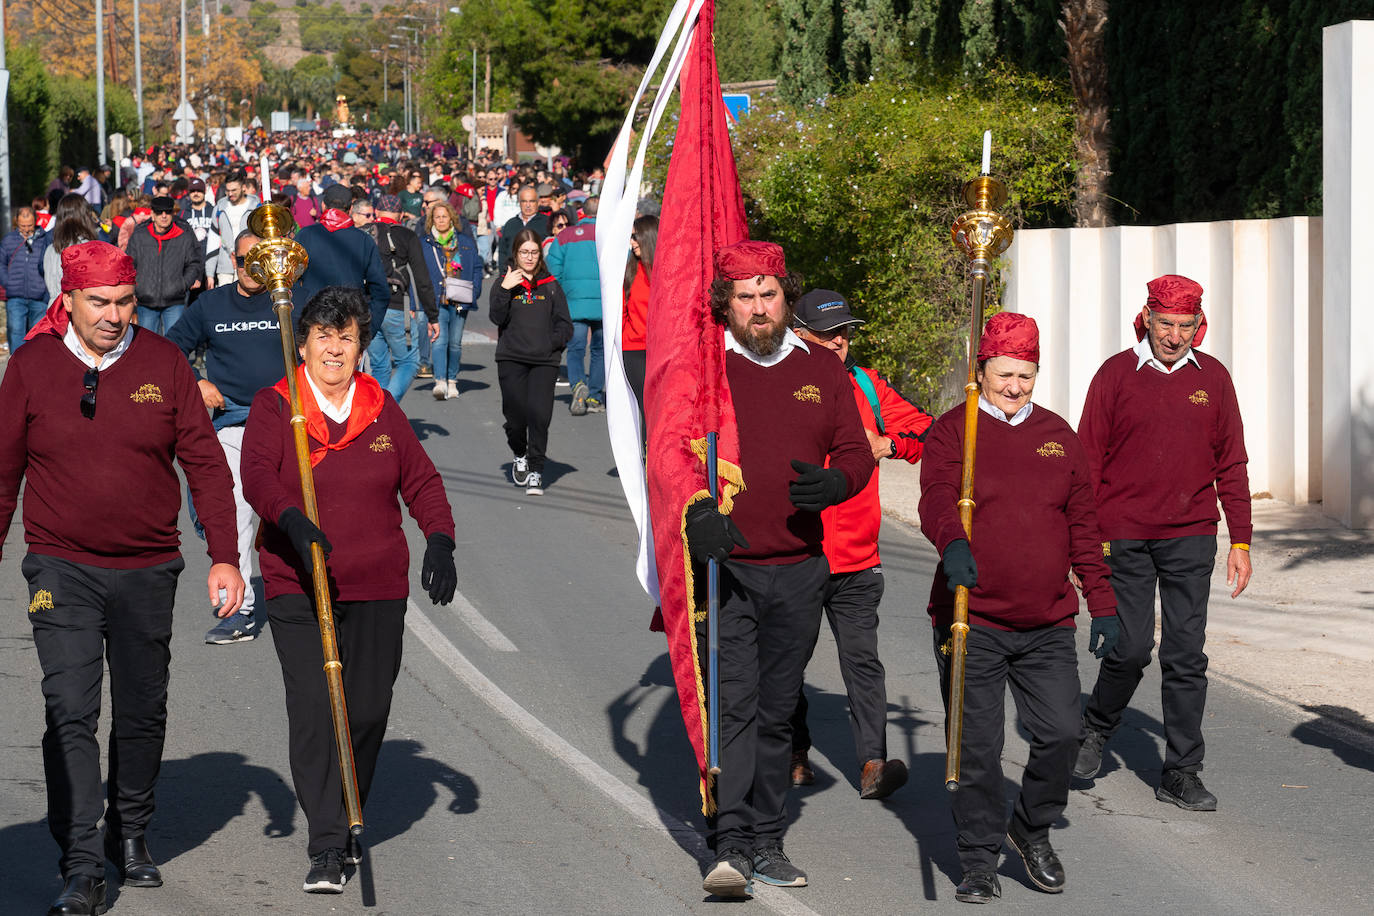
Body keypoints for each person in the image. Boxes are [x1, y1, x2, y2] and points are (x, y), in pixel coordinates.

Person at [0, 241, 244, 916]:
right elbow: (2, 473)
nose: (114, 315)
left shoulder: (163, 363)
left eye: (125, 302)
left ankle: (129, 832)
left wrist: (224, 554)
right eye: (99, 302)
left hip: (147, 567)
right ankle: (81, 863)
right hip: (60, 565)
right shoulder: (31, 365)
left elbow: (205, 466)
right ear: (69, 299)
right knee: (71, 708)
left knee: (142, 710)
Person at [241, 286, 456, 895]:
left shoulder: (380, 408)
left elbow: (421, 480)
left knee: (365, 710)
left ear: (361, 346)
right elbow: (256, 473)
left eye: (347, 337)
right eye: (323, 336)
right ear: (301, 342)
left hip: (375, 580)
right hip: (297, 579)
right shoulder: (275, 404)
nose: (334, 348)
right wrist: (288, 517)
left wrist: (440, 539)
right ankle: (328, 841)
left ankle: (347, 799)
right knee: (315, 708)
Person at [683, 240, 874, 898]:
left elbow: (857, 451)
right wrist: (697, 512)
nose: (758, 310)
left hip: (800, 568)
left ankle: (767, 837)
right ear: (725, 303)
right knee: (734, 706)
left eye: (769, 295)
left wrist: (838, 482)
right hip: (727, 568)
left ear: (786, 298)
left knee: (777, 707)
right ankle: (731, 841)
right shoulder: (706, 370)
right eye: (745, 297)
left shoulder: (822, 369)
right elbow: (671, 451)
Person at [917, 312, 1118, 904]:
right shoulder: (956, 430)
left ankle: (1029, 830)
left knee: (1060, 734)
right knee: (976, 747)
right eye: (1005, 374)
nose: (1014, 386)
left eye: (1026, 376)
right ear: (981, 369)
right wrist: (953, 544)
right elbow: (934, 498)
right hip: (970, 616)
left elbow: (1083, 522)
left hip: (1046, 621)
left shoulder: (1059, 435)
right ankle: (978, 859)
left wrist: (1100, 601)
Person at [1074, 274, 1253, 811]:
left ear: (1200, 326)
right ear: (1147, 319)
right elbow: (1086, 461)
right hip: (1122, 535)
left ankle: (1181, 770)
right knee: (1129, 650)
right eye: (1166, 324)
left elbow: (1233, 462)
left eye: (1186, 326)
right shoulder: (1115, 375)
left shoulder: (1214, 379)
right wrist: (1079, 539)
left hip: (1191, 535)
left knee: (1186, 655)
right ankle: (1095, 729)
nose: (1174, 336)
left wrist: (1240, 539)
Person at [786, 288, 934, 798]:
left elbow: (928, 431)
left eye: (845, 333)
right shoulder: (777, 383)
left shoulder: (868, 387)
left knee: (863, 664)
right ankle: (795, 752)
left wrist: (888, 444)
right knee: (789, 662)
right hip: (795, 552)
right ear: (798, 335)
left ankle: (874, 763)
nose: (839, 343)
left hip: (858, 559)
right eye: (827, 334)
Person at [166, 229, 284, 645]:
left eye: (260, 259)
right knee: (233, 511)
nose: (251, 267)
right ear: (232, 261)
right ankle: (239, 608)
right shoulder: (212, 304)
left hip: (290, 422)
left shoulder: (291, 299)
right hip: (232, 422)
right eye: (243, 258)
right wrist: (197, 381)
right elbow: (171, 349)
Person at [490, 228, 573, 496]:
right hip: (511, 357)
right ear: (515, 253)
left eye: (534, 252)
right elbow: (496, 318)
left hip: (544, 361)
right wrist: (505, 289)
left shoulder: (550, 285)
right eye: (524, 252)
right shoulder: (506, 281)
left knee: (539, 415)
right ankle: (520, 453)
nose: (529, 257)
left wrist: (552, 342)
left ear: (540, 254)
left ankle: (536, 469)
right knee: (515, 417)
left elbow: (565, 324)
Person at [360, 193, 439, 403]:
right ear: (401, 214)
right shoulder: (407, 236)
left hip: (366, 307)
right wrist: (432, 316)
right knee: (409, 362)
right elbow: (422, 278)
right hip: (396, 306)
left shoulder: (362, 234)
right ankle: (386, 407)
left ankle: (376, 416)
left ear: (376, 212)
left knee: (378, 365)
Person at [294, 183, 391, 337]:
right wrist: (367, 330)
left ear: (323, 205)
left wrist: (298, 322)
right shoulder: (363, 240)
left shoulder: (305, 235)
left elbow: (291, 284)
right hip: (348, 325)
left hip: (315, 324)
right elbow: (381, 290)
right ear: (351, 209)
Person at [546, 196, 603, 415]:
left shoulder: (565, 236)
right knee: (599, 351)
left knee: (576, 348)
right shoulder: (610, 234)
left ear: (582, 212)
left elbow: (554, 269)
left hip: (573, 303)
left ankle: (578, 383)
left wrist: (560, 297)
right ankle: (595, 397)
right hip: (603, 305)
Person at [420, 201, 483, 400]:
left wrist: (475, 290)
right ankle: (440, 381)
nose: (440, 220)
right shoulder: (426, 243)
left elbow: (477, 268)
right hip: (437, 300)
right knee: (439, 340)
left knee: (455, 344)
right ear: (432, 219)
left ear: (452, 219)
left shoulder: (464, 241)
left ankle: (452, 380)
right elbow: (419, 273)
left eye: (444, 216)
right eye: (437, 217)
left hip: (460, 300)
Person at [126, 195, 204, 335]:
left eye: (167, 212)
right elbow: (129, 265)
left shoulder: (183, 235)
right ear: (152, 214)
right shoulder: (139, 235)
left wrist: (183, 284)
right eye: (159, 212)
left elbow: (194, 262)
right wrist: (133, 290)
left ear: (173, 214)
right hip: (146, 300)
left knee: (174, 344)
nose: (163, 216)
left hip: (175, 301)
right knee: (148, 345)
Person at [620, 213, 656, 416]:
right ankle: (646, 449)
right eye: (631, 237)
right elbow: (622, 311)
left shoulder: (667, 272)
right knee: (646, 408)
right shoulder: (630, 272)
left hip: (661, 351)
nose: (632, 242)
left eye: (636, 237)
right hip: (634, 350)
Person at [2, 206, 51, 352]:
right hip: (15, 295)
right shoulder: (8, 240)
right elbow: (1, 264)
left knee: (38, 335)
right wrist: (7, 283)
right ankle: (17, 366)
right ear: (16, 222)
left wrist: (45, 288)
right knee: (16, 331)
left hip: (39, 295)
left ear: (35, 222)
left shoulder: (44, 239)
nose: (26, 229)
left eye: (29, 225)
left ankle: (35, 367)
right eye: (22, 226)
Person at [44, 193, 102, 303]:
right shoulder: (90, 248)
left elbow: (50, 285)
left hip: (55, 310)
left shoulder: (51, 250)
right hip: (80, 311)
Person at [211, 173, 260, 286]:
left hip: (249, 263)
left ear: (243, 188)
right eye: (228, 191)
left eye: (234, 190)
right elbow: (213, 239)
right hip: (225, 266)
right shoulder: (220, 207)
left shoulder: (256, 207)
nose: (230, 194)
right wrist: (210, 273)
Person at [496, 183, 548, 274]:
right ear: (519, 202)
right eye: (524, 201)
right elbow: (502, 251)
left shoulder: (547, 223)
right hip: (512, 276)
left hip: (538, 277)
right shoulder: (510, 224)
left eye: (532, 201)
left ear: (538, 202)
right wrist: (503, 274)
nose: (528, 205)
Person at [179, 178, 220, 288]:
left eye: (199, 191)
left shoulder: (214, 211)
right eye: (193, 191)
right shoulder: (182, 214)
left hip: (212, 264)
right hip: (191, 266)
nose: (196, 193)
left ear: (204, 192)